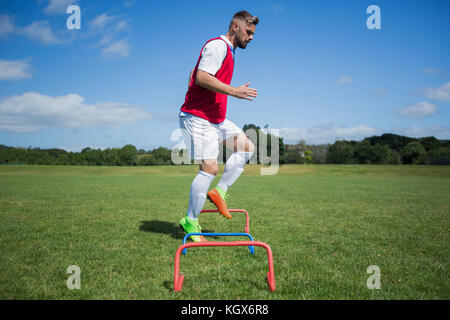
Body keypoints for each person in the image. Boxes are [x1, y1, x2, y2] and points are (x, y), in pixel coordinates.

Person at [178, 11, 259, 242]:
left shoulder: (229, 52)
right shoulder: (218, 46)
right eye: (248, 32)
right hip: (197, 117)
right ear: (235, 26)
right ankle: (190, 220)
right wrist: (234, 91)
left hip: (216, 119)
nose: (251, 37)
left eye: (253, 34)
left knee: (246, 147)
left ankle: (219, 192)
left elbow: (194, 73)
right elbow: (202, 77)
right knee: (210, 169)